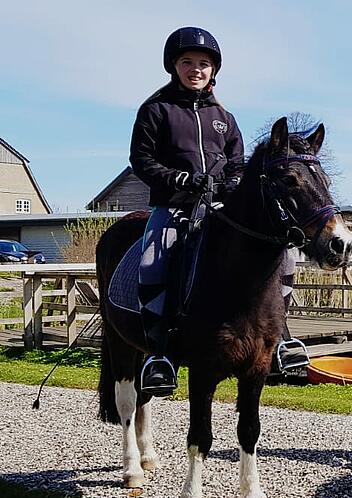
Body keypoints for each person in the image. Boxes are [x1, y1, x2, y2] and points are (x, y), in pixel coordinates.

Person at [129, 26, 245, 396]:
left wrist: (230, 184)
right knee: (152, 263)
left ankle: (280, 341)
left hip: (219, 209)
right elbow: (141, 160)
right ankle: (159, 352)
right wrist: (180, 180)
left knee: (267, 256)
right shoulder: (155, 109)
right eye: (188, 62)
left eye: (204, 63)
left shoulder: (224, 117)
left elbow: (237, 163)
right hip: (173, 208)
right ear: (174, 66)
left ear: (214, 70)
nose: (196, 69)